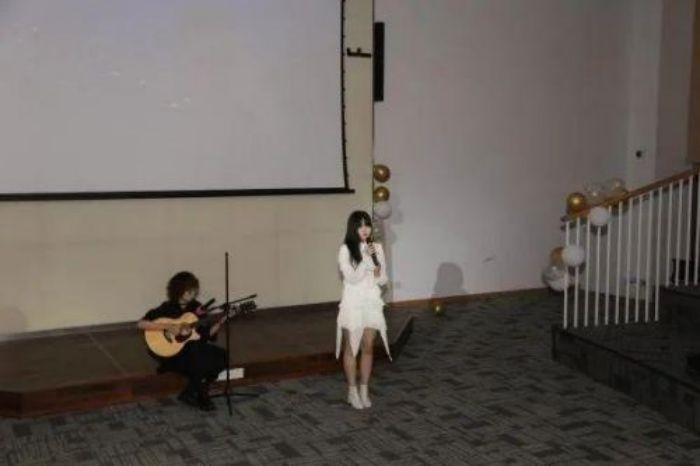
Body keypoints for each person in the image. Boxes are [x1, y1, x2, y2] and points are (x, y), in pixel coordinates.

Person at [137, 271, 226, 411]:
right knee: (199, 356)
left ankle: (191, 391)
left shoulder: (197, 307)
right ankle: (201, 394)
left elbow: (206, 334)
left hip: (192, 350)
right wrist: (168, 326)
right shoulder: (167, 307)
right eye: (189, 291)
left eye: (194, 290)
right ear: (179, 290)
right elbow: (141, 324)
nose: (193, 293)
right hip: (172, 352)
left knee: (222, 356)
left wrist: (220, 321)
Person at [336, 210, 391, 410]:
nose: (365, 229)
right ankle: (352, 391)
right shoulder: (345, 249)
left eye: (367, 224)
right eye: (360, 225)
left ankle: (364, 389)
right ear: (353, 228)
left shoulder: (377, 247)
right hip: (352, 303)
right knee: (352, 347)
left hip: (371, 302)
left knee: (368, 346)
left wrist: (377, 272)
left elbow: (383, 279)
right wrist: (366, 261)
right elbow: (352, 278)